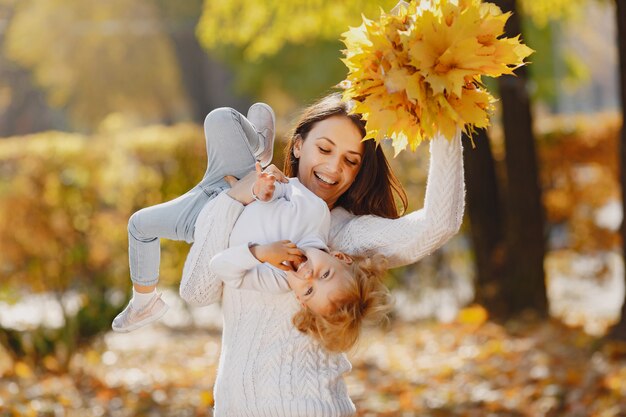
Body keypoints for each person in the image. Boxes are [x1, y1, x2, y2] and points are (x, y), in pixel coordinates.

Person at [179, 92, 465, 416]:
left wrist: (446, 122)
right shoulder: (245, 206)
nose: (333, 167)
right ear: (298, 146)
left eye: (350, 160)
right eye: (325, 149)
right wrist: (233, 199)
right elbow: (196, 291)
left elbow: (437, 226)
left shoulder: (342, 233)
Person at [111, 103, 276, 333]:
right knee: (139, 225)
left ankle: (259, 147)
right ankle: (144, 304)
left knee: (218, 117)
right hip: (216, 201)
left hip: (212, 199)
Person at [209, 168, 391, 352]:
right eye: (325, 274)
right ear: (339, 257)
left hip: (209, 213)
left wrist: (260, 253)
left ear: (300, 300)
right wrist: (266, 191)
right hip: (240, 183)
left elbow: (219, 266)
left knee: (177, 220)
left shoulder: (276, 280)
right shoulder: (316, 214)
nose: (309, 275)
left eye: (309, 290)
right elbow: (287, 186)